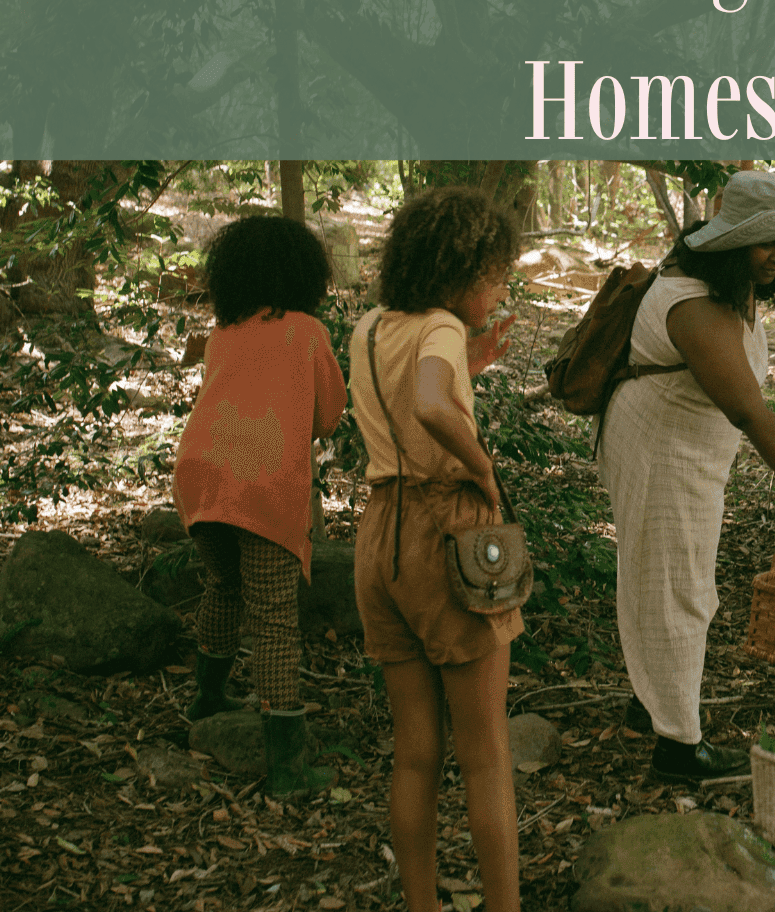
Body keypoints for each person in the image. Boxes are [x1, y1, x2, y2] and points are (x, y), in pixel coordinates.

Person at [599, 169, 775, 783]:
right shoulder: (692, 301)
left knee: (665, 574)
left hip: (686, 450)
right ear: (730, 240)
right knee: (677, 584)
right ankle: (678, 748)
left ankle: (655, 702)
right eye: (764, 243)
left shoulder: (733, 288)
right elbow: (748, 409)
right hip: (661, 449)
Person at [348, 187, 523, 912]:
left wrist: (467, 375)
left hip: (379, 539)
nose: (500, 290)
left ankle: (421, 901)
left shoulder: (368, 327)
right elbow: (427, 405)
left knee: (416, 750)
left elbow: (403, 407)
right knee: (484, 752)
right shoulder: (443, 327)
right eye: (496, 277)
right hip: (445, 530)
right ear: (461, 273)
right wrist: (481, 467)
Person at [171, 215, 347, 797]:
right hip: (263, 484)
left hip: (201, 476)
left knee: (223, 588)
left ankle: (207, 699)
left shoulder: (224, 332)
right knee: (273, 618)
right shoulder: (307, 333)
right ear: (303, 274)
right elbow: (329, 415)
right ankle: (287, 766)